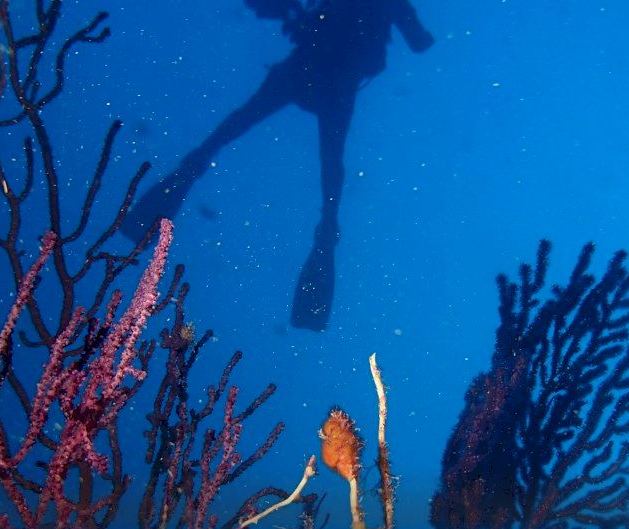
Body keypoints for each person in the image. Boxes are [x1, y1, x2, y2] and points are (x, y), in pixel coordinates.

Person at [123, 0, 434, 331]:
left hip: (308, 63)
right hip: (338, 81)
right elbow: (420, 42)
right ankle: (327, 227)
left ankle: (191, 168)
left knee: (240, 122)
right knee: (331, 161)